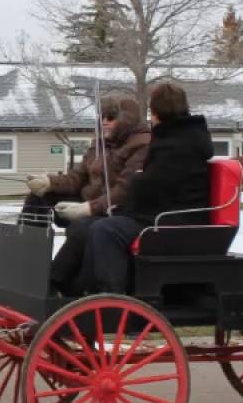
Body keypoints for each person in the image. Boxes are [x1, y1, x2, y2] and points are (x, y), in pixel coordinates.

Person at [51, 83, 213, 296]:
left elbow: (151, 186)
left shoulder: (176, 144)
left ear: (155, 113)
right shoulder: (178, 137)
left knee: (105, 230)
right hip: (158, 213)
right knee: (87, 226)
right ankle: (57, 283)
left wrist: (125, 199)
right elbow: (152, 186)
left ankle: (111, 295)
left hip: (172, 220)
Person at [22, 96, 151, 295]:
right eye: (102, 116)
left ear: (127, 119)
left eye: (111, 117)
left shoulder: (142, 144)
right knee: (38, 197)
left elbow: (125, 189)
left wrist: (89, 208)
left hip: (115, 210)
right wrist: (49, 183)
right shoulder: (98, 143)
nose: (104, 121)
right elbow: (78, 178)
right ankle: (28, 263)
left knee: (83, 226)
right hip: (90, 203)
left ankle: (56, 281)